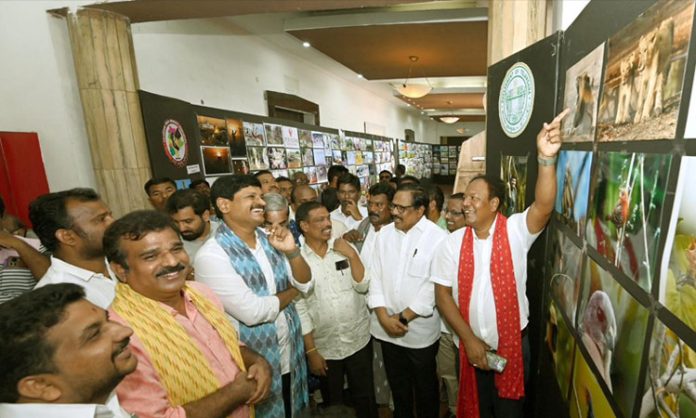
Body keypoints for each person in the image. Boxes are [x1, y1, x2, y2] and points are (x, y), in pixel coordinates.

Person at [432, 109, 568, 418]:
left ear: (494, 204)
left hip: (511, 349)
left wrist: (546, 159)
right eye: (465, 197)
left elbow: (544, 206)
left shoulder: (516, 231)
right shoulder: (452, 243)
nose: (466, 203)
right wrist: (469, 340)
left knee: (508, 413)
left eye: (474, 198)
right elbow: (442, 295)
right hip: (467, 349)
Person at [104, 210, 272, 418]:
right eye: (151, 256)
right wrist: (235, 393)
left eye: (176, 249)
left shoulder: (201, 293)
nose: (172, 262)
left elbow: (227, 345)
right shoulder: (118, 334)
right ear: (120, 270)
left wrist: (257, 361)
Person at [194, 175, 313, 418]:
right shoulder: (212, 255)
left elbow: (307, 282)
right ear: (224, 205)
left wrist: (291, 251)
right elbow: (254, 312)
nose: (261, 202)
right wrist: (293, 291)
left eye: (260, 196)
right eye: (251, 197)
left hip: (289, 353)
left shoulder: (270, 237)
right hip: (252, 364)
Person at [368, 183, 448, 418]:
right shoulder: (383, 235)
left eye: (402, 208)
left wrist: (402, 317)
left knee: (425, 390)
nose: (394, 212)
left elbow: (433, 286)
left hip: (419, 333)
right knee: (399, 388)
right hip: (387, 330)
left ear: (420, 210)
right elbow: (376, 276)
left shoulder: (438, 238)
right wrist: (383, 317)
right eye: (394, 206)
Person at [0, 283, 137, 417]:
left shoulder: (96, 397)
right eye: (94, 334)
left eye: (107, 319)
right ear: (41, 386)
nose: (125, 331)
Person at [294, 201, 378, 418]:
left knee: (365, 398)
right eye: (319, 220)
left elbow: (363, 284)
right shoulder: (297, 260)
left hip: (358, 339)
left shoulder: (342, 248)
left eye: (327, 218)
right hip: (324, 346)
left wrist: (351, 254)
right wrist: (311, 351)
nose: (327, 224)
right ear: (304, 226)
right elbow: (301, 308)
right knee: (333, 405)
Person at [30, 188, 116, 308]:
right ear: (67, 237)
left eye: (110, 215)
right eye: (101, 219)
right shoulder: (55, 299)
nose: (114, 223)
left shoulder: (125, 260)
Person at [342, 183, 394, 265]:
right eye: (370, 204)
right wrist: (347, 238)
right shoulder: (362, 225)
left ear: (391, 206)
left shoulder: (397, 233)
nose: (372, 209)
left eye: (379, 205)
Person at [166, 189, 220, 260]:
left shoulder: (226, 235)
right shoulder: (170, 242)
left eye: (188, 221)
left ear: (205, 215)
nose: (181, 228)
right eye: (175, 222)